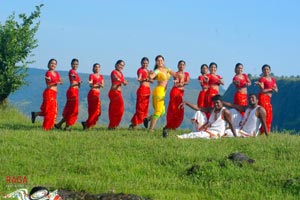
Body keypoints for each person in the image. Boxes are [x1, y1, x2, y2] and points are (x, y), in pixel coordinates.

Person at [143, 55, 177, 132]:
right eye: (158, 61)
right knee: (158, 111)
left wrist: (178, 79)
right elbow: (151, 76)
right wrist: (149, 75)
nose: (160, 62)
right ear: (156, 62)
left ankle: (147, 119)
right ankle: (151, 129)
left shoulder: (167, 69)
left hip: (163, 92)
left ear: (164, 61)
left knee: (162, 111)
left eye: (161, 60)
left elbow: (176, 75)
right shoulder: (157, 70)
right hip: (158, 91)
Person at [31, 58, 62, 130]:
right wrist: (55, 83)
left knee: (51, 111)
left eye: (54, 63)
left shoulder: (56, 73)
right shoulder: (48, 73)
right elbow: (49, 85)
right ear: (48, 64)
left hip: (54, 93)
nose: (53, 65)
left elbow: (60, 81)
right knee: (50, 111)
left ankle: (35, 114)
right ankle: (46, 127)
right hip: (49, 93)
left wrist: (59, 82)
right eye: (52, 63)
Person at [55, 58, 81, 131]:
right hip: (72, 92)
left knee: (70, 110)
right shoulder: (71, 72)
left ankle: (59, 124)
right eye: (74, 64)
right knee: (73, 110)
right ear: (71, 64)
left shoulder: (75, 73)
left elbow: (78, 85)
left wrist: (78, 84)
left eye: (76, 64)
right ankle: (67, 126)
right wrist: (78, 83)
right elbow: (73, 83)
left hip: (75, 91)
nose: (75, 65)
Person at [164, 60, 190, 130]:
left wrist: (183, 83)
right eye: (180, 65)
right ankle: (170, 125)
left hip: (181, 92)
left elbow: (187, 81)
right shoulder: (175, 73)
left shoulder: (187, 74)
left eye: (183, 65)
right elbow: (176, 81)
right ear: (178, 66)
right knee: (173, 108)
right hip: (175, 91)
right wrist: (178, 82)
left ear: (185, 66)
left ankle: (174, 125)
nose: (181, 66)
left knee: (179, 109)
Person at [129, 57, 152, 129]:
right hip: (142, 90)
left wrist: (150, 79)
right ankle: (134, 124)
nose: (145, 64)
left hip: (148, 90)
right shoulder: (140, 70)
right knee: (140, 108)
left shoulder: (148, 71)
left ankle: (134, 124)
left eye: (146, 63)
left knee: (145, 108)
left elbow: (151, 81)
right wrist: (145, 79)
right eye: (143, 63)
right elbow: (139, 78)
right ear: (141, 63)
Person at [255, 64, 278, 133]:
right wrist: (271, 89)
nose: (266, 71)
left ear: (270, 70)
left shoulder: (273, 79)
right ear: (262, 71)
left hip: (268, 99)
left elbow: (276, 90)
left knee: (269, 116)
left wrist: (273, 89)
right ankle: (263, 132)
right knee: (265, 115)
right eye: (264, 69)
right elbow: (262, 90)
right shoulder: (262, 79)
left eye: (267, 69)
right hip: (263, 98)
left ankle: (266, 131)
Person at [81, 63, 104, 130]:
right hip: (93, 93)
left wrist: (97, 85)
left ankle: (87, 123)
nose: (97, 68)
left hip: (97, 94)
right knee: (93, 111)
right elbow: (91, 85)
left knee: (98, 112)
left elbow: (103, 85)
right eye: (95, 67)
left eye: (98, 67)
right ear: (93, 68)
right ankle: (88, 125)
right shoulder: (91, 75)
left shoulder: (101, 76)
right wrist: (98, 85)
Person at [108, 60, 128, 129]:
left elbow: (123, 82)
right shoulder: (114, 72)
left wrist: (125, 82)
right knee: (116, 109)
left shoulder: (121, 73)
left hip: (119, 92)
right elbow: (115, 78)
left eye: (122, 65)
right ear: (116, 64)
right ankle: (112, 125)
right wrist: (123, 81)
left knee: (119, 110)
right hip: (114, 92)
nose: (121, 66)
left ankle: (114, 125)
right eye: (120, 65)